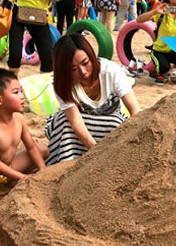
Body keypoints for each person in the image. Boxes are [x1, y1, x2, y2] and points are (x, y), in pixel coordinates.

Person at [44, 33, 140, 165]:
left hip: (109, 121)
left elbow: (134, 109)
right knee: (65, 122)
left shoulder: (111, 71)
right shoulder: (63, 83)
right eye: (73, 69)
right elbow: (76, 122)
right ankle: (66, 167)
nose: (83, 72)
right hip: (76, 125)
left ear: (92, 57)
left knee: (116, 124)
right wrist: (96, 153)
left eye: (85, 63)